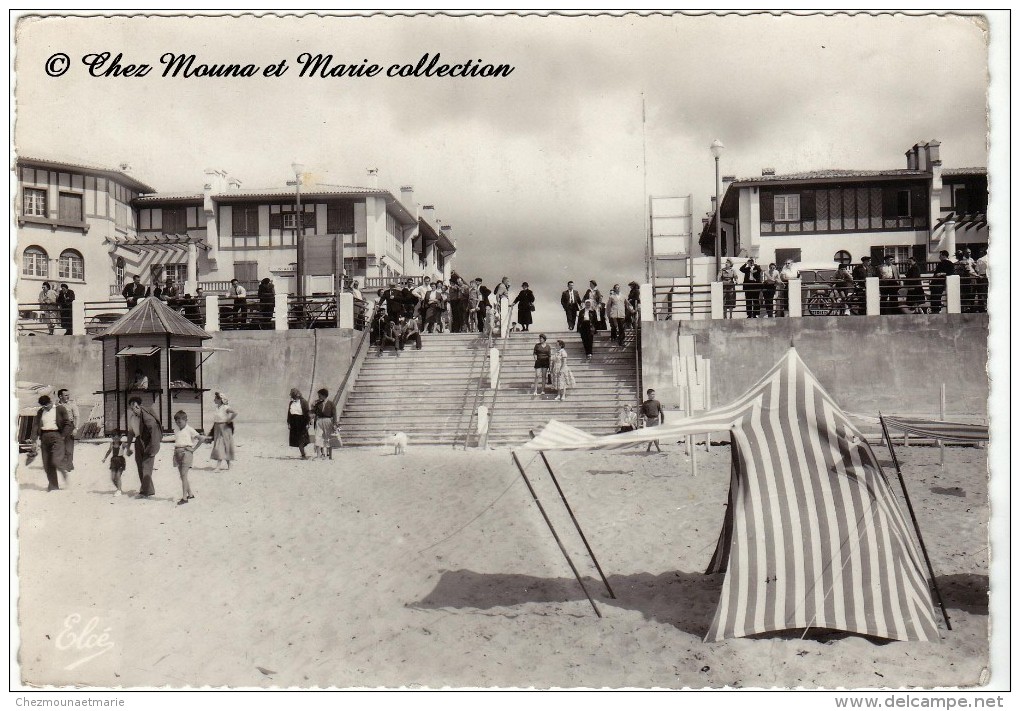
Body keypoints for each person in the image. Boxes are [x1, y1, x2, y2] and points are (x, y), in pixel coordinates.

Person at [124, 395, 162, 498]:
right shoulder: (132, 417)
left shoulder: (146, 416)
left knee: (146, 466)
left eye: (136, 407)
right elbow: (131, 432)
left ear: (140, 406)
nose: (134, 410)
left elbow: (154, 429)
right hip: (138, 441)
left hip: (148, 441)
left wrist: (153, 447)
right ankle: (149, 490)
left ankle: (145, 492)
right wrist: (128, 447)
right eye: (132, 408)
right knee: (140, 466)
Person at [30, 394, 69, 491]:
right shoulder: (40, 411)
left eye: (47, 405)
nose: (45, 408)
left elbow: (67, 423)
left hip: (56, 436)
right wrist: (34, 440)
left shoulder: (60, 409)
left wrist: (63, 435)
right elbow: (35, 426)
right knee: (47, 464)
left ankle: (63, 470)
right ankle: (53, 486)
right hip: (44, 437)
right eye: (43, 406)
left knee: (55, 460)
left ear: (51, 402)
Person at [172, 410, 204, 505]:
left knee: (183, 475)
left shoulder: (190, 429)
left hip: (187, 453)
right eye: (176, 422)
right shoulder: (176, 430)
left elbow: (201, 438)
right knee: (183, 476)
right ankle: (190, 493)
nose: (178, 424)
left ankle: (184, 498)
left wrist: (193, 449)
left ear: (186, 420)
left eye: (180, 422)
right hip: (177, 453)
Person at [210, 391, 237, 470]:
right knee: (223, 446)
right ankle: (229, 465)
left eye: (215, 398)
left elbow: (235, 412)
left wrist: (229, 419)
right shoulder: (217, 408)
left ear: (220, 399)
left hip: (224, 428)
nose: (214, 399)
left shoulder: (225, 407)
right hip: (217, 428)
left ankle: (218, 467)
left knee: (221, 446)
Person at [56, 388, 80, 472]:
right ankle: (64, 465)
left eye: (68, 395)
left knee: (69, 448)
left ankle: (69, 466)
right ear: (60, 396)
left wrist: (76, 429)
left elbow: (76, 417)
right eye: (66, 395)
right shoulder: (56, 406)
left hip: (70, 426)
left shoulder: (72, 405)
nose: (68, 397)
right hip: (59, 428)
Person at [311, 388, 337, 459]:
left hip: (328, 421)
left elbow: (334, 414)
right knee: (317, 437)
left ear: (324, 395)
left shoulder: (331, 404)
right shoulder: (318, 404)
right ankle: (318, 455)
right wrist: (312, 406)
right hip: (319, 421)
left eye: (320, 396)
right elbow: (313, 412)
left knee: (328, 438)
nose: (318, 397)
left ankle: (330, 456)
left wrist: (334, 424)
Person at [287, 388, 311, 459]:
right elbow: (289, 414)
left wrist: (308, 423)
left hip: (302, 421)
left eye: (295, 395)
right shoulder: (291, 403)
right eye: (293, 396)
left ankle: (303, 454)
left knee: (301, 438)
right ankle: (303, 453)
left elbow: (307, 413)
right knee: (297, 439)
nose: (293, 397)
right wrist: (288, 423)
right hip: (293, 422)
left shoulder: (304, 402)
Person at [101, 431, 127, 496]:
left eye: (117, 438)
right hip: (113, 461)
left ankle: (119, 490)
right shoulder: (112, 444)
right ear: (112, 438)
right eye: (114, 438)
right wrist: (104, 458)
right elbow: (109, 451)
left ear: (120, 437)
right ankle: (119, 489)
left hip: (120, 461)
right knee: (112, 478)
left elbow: (128, 448)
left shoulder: (122, 444)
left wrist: (128, 450)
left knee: (118, 476)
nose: (115, 440)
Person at [641, 388, 665, 453]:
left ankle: (657, 448)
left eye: (654, 394)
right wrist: (644, 416)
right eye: (652, 394)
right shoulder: (645, 403)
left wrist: (662, 421)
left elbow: (661, 412)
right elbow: (642, 412)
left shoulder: (657, 402)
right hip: (648, 420)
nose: (653, 395)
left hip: (655, 420)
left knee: (653, 434)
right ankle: (649, 448)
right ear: (648, 395)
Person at [532, 333, 552, 397]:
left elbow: (549, 356)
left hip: (545, 362)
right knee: (537, 376)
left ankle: (543, 390)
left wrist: (550, 365)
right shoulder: (537, 345)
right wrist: (536, 360)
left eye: (541, 338)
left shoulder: (548, 346)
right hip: (538, 361)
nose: (540, 339)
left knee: (544, 376)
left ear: (544, 339)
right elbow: (534, 353)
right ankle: (535, 390)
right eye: (540, 338)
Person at [974, 248, 989, 313]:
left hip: (982, 277)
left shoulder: (980, 260)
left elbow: (977, 269)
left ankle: (983, 307)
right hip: (989, 276)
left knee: (982, 292)